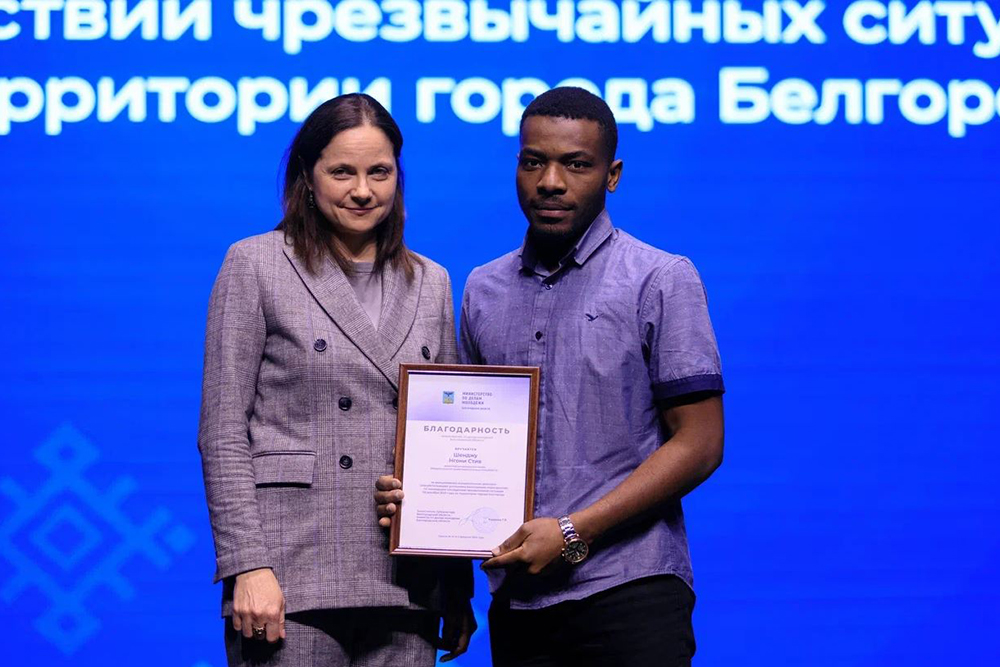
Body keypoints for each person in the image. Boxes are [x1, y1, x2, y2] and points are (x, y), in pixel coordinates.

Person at [376, 86, 725, 666]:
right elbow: (465, 444)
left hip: (631, 590)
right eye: (534, 162)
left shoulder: (661, 279)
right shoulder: (483, 289)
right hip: (519, 600)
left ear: (612, 176)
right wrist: (423, 506)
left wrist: (572, 532)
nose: (551, 182)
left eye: (576, 164)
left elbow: (701, 442)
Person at [198, 93, 475, 667]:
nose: (363, 190)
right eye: (342, 172)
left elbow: (445, 439)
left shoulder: (432, 282)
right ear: (307, 176)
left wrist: (455, 583)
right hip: (290, 571)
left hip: (406, 581)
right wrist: (247, 564)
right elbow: (222, 432)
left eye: (380, 172)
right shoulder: (255, 264)